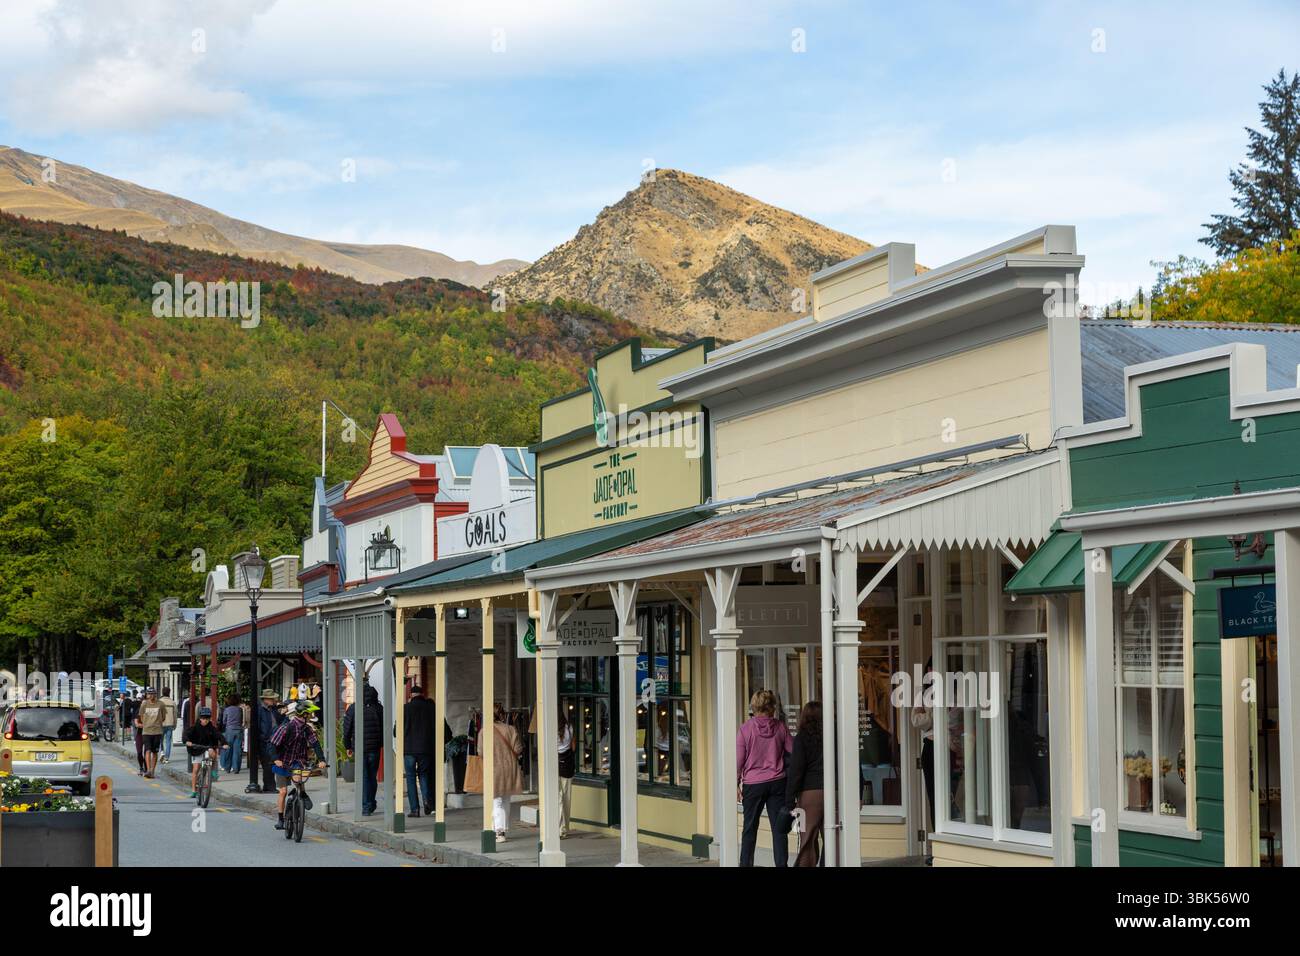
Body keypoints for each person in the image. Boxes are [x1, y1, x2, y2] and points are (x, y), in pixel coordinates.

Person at [737, 688, 793, 867]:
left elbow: (738, 761)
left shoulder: (745, 729)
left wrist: (735, 784)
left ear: (754, 706)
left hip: (753, 784)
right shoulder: (781, 727)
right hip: (777, 782)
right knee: (779, 829)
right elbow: (793, 752)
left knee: (749, 829)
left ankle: (746, 865)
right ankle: (781, 865)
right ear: (772, 707)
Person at [269, 701, 326, 830]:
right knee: (283, 792)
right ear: (304, 714)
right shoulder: (286, 727)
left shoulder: (307, 729)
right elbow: (272, 745)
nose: (312, 715)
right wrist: (275, 759)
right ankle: (280, 820)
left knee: (299, 781)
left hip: (297, 762)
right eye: (310, 713)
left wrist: (321, 759)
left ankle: (302, 795)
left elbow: (315, 744)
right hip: (282, 762)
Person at [785, 701, 825, 867]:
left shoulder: (801, 739)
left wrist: (789, 800)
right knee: (834, 839)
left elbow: (796, 771)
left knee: (807, 839)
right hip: (836, 791)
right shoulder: (835, 735)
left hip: (809, 794)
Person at [343, 684, 383, 816]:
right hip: (374, 749)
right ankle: (371, 803)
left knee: (364, 777)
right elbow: (384, 728)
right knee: (372, 777)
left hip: (359, 748)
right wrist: (380, 743)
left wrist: (347, 746)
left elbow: (347, 729)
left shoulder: (353, 708)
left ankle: (366, 806)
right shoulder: (379, 708)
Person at [489, 702, 524, 844]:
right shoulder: (511, 729)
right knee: (505, 800)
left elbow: (480, 752)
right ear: (502, 714)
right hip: (509, 768)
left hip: (494, 768)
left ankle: (499, 831)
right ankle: (500, 828)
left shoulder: (485, 731)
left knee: (496, 801)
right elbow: (518, 748)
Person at [403, 684, 436, 818]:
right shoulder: (430, 708)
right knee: (424, 775)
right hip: (425, 748)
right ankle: (427, 801)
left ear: (411, 695)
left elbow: (397, 730)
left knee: (410, 778)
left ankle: (415, 809)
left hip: (409, 749)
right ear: (422, 694)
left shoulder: (406, 708)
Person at [184, 706, 224, 796]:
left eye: (207, 718)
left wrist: (224, 743)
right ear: (199, 718)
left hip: (207, 747)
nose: (205, 720)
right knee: (196, 768)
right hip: (197, 749)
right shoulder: (195, 727)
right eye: (203, 718)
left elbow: (219, 735)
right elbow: (186, 734)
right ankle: (194, 791)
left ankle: (213, 770)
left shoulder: (211, 728)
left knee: (213, 753)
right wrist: (187, 741)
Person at [256, 689, 284, 794]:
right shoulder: (260, 710)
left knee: (271, 763)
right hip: (265, 740)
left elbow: (278, 721)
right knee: (268, 764)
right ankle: (269, 786)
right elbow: (258, 726)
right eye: (272, 699)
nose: (274, 700)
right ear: (266, 699)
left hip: (273, 739)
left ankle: (269, 786)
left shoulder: (273, 709)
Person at [136, 687, 167, 778]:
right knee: (147, 750)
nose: (151, 696)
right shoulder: (144, 704)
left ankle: (152, 770)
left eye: (153, 694)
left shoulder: (160, 704)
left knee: (155, 752)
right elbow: (141, 716)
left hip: (157, 731)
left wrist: (157, 722)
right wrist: (146, 723)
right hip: (146, 731)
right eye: (149, 694)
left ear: (155, 695)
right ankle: (148, 770)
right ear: (147, 695)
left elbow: (163, 717)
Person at [557, 702, 575, 838]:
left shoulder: (551, 729)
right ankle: (565, 827)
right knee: (567, 797)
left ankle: (560, 828)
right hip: (568, 763)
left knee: (558, 798)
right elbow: (573, 746)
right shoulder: (569, 727)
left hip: (555, 764)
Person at [220, 693, 244, 774]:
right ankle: (236, 768)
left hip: (229, 730)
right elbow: (241, 720)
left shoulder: (227, 710)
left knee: (228, 749)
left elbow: (224, 721)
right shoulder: (239, 709)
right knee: (237, 750)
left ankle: (227, 767)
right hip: (239, 730)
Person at [160, 689, 177, 763]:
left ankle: (162, 752)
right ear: (169, 693)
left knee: (160, 740)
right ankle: (166, 758)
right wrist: (175, 724)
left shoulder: (159, 702)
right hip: (170, 723)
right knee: (168, 741)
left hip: (161, 724)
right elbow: (175, 714)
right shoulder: (172, 702)